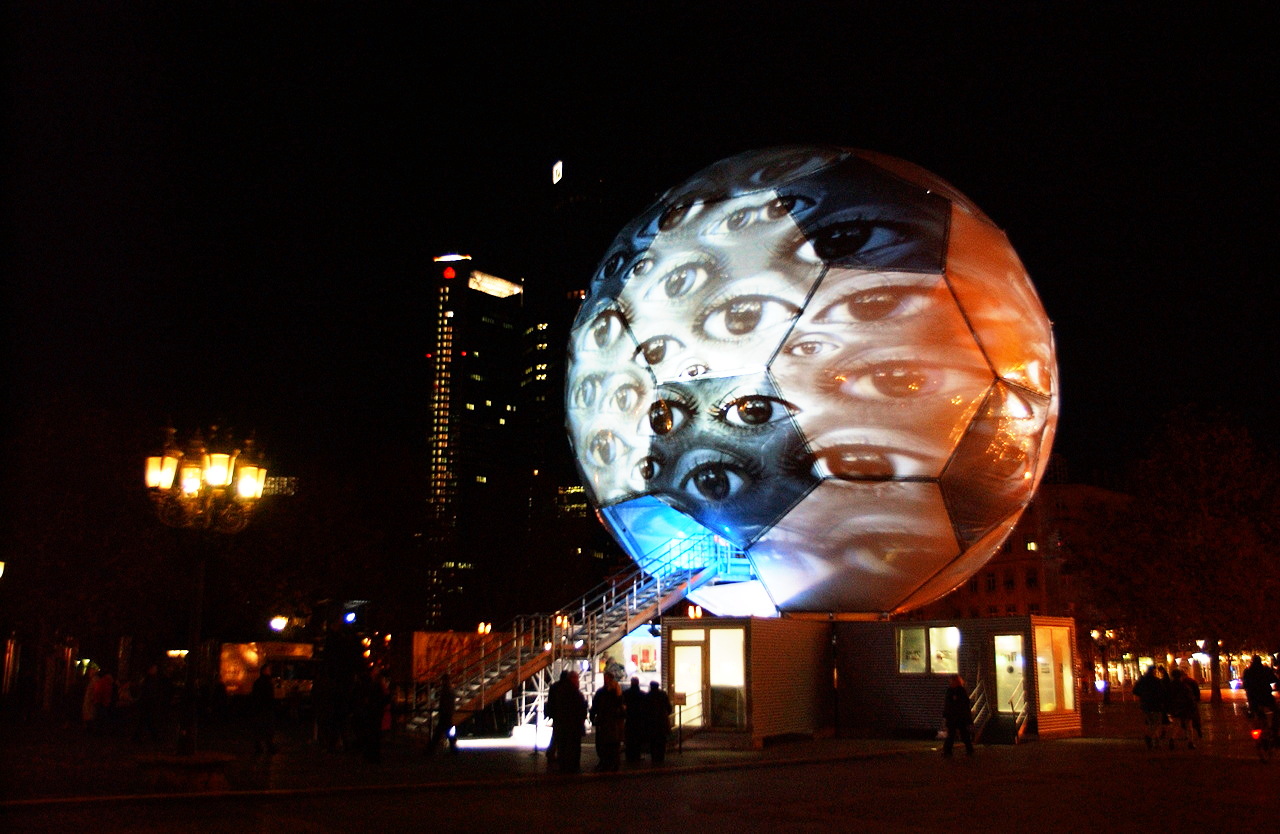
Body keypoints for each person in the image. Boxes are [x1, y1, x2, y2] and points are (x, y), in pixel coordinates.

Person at [590, 672, 625, 771]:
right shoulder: (611, 693)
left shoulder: (608, 693)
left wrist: (593, 717)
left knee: (607, 744)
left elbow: (596, 706)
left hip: (608, 721)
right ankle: (610, 763)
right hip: (609, 721)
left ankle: (608, 763)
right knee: (609, 744)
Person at [554, 670, 588, 773]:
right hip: (573, 725)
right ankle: (572, 766)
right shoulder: (575, 693)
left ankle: (564, 766)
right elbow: (581, 709)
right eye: (576, 678)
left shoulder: (560, 691)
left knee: (563, 746)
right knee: (573, 747)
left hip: (563, 724)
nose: (578, 681)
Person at [1132, 665, 1169, 750]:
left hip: (1145, 705)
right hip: (1156, 705)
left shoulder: (1142, 681)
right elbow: (1163, 692)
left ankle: (1156, 743)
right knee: (1156, 724)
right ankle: (1149, 737)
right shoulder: (1157, 681)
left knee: (1151, 723)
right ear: (1153, 672)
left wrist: (1143, 696)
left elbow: (1135, 691)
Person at [1241, 655, 1278, 737]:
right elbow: (1274, 679)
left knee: (1254, 714)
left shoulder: (1248, 671)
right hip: (1266, 697)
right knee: (1276, 711)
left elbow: (1245, 684)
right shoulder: (1266, 670)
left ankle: (1257, 730)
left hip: (1253, 699)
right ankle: (1274, 731)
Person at [941, 674, 974, 757]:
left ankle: (949, 751)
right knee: (955, 734)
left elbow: (961, 704)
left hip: (958, 716)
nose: (950, 682)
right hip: (955, 716)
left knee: (959, 734)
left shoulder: (959, 691)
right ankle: (948, 751)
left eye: (952, 680)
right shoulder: (954, 690)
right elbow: (948, 704)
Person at [1166, 669, 1198, 749]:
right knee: (1189, 725)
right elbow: (1190, 698)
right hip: (1186, 708)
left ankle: (1172, 739)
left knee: (1176, 724)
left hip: (1175, 708)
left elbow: (1167, 698)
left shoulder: (1169, 686)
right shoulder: (1184, 686)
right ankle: (1190, 742)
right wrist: (1193, 707)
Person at [251, 663, 277, 754]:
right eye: (268, 670)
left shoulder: (258, 682)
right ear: (264, 671)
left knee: (260, 729)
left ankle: (260, 746)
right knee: (267, 728)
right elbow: (267, 696)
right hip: (265, 709)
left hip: (260, 709)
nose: (270, 671)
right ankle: (268, 746)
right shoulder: (266, 682)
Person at [623, 677, 648, 763]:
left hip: (629, 719)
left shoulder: (626, 693)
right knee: (637, 739)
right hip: (639, 719)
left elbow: (623, 704)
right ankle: (636, 756)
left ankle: (629, 755)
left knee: (629, 738)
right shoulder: (642, 694)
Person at [429, 673, 456, 754]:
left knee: (438, 732)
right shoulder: (450, 690)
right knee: (447, 731)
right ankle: (453, 748)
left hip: (445, 713)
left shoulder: (445, 690)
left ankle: (431, 749)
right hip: (448, 712)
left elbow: (444, 702)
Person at [647, 681, 673, 764]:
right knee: (661, 740)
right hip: (662, 721)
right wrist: (666, 715)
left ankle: (654, 757)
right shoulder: (663, 695)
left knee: (653, 741)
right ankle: (661, 757)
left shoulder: (648, 696)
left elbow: (644, 709)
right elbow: (669, 707)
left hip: (651, 722)